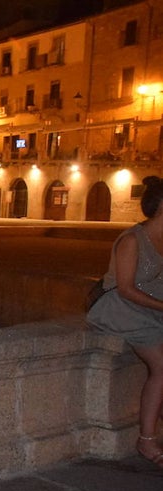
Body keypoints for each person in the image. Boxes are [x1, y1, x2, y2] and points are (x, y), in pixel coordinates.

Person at [87, 175, 163, 467]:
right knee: (160, 363)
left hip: (149, 308)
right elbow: (126, 289)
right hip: (119, 306)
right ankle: (146, 440)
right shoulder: (133, 240)